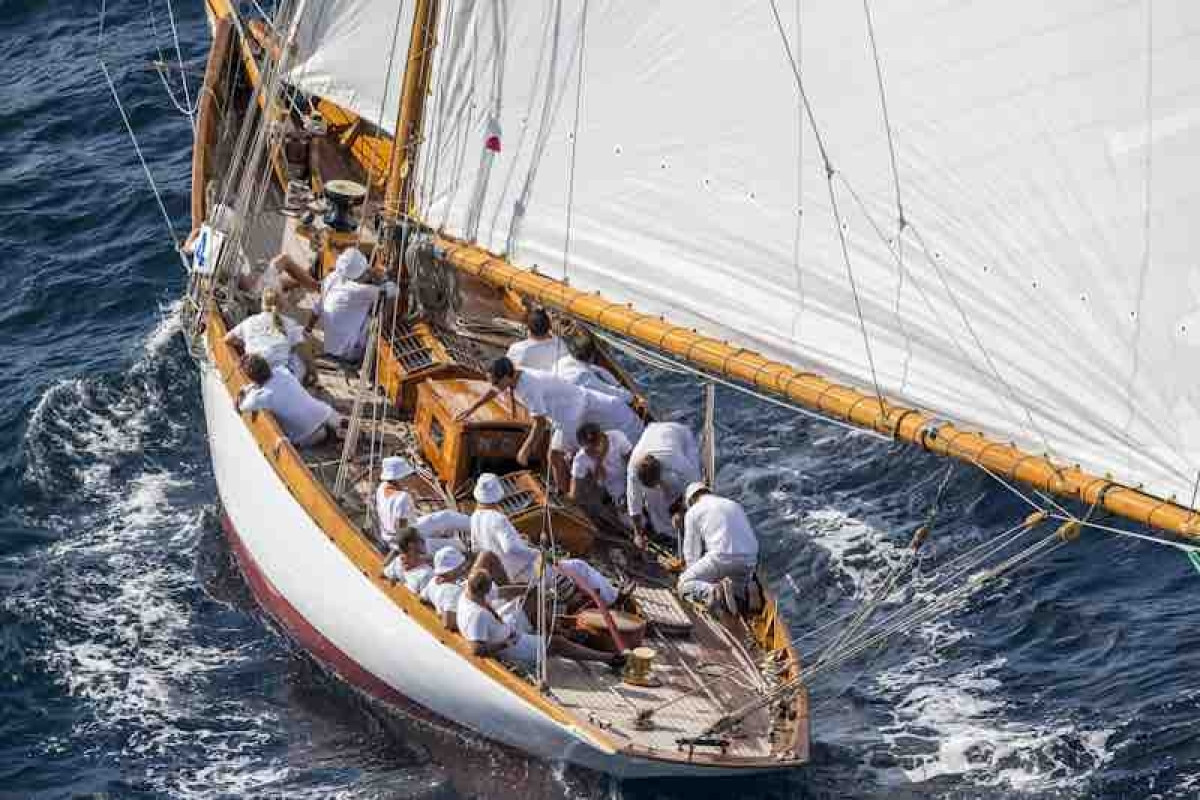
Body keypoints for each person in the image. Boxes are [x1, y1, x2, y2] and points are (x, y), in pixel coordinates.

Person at [457, 358, 644, 491]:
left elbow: (539, 424)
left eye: (497, 381)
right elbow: (494, 389)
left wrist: (525, 450)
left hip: (573, 414)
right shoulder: (516, 373)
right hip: (566, 414)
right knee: (554, 456)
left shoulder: (529, 388)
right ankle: (564, 493)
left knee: (572, 457)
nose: (495, 385)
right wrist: (473, 407)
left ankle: (589, 489)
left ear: (507, 376)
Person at [456, 570, 622, 669]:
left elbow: (501, 593)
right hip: (511, 647)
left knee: (530, 599)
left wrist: (528, 589)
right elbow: (476, 649)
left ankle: (560, 633)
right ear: (481, 591)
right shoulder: (476, 615)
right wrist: (506, 644)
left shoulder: (469, 592)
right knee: (557, 644)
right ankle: (608, 658)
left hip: (504, 628)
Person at [677, 482, 759, 614]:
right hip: (749, 559)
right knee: (736, 594)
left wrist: (692, 572)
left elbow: (691, 553)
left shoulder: (693, 511)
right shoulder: (733, 504)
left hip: (722, 557)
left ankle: (713, 591)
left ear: (691, 500)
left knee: (683, 584)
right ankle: (747, 591)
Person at [306, 246, 398, 361]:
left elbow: (316, 308)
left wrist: (307, 330)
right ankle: (382, 330)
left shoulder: (332, 277)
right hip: (348, 352)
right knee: (374, 313)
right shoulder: (359, 291)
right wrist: (383, 277)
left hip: (330, 346)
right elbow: (393, 290)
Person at [236, 354, 340, 446]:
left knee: (320, 435)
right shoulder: (282, 371)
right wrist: (252, 386)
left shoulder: (261, 397)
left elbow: (240, 407)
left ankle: (329, 437)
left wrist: (243, 391)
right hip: (326, 413)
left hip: (308, 435)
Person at [627, 422, 702, 548]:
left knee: (691, 481)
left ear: (661, 469)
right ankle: (669, 533)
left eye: (657, 482)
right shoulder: (632, 471)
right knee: (652, 497)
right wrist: (638, 534)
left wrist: (682, 511)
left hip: (680, 435)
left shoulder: (673, 458)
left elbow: (695, 483)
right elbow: (634, 502)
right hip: (652, 431)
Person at [224, 288, 314, 383]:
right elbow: (305, 351)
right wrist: (312, 372)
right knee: (298, 350)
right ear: (282, 306)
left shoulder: (249, 321)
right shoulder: (290, 323)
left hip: (254, 372)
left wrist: (245, 342)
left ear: (262, 304)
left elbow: (227, 339)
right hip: (282, 376)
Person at [469, 473, 540, 584]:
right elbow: (510, 548)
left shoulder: (474, 517)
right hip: (519, 573)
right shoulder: (498, 519)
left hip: (498, 574)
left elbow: (476, 548)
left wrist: (517, 539)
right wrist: (536, 553)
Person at [569, 423, 633, 527]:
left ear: (602, 435)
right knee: (629, 520)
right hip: (614, 487)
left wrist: (629, 491)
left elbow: (632, 463)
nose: (596, 449)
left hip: (629, 476)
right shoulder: (580, 460)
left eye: (597, 443)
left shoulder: (617, 437)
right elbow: (574, 493)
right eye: (591, 448)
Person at [554, 337, 633, 403]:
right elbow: (607, 390)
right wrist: (631, 397)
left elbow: (597, 370)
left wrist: (617, 384)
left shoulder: (562, 361)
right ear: (591, 356)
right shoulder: (583, 377)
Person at [376, 456, 417, 548]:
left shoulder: (381, 487)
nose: (409, 478)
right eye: (407, 476)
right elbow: (403, 531)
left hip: (387, 536)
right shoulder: (403, 498)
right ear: (398, 478)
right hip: (404, 541)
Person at [382, 527, 436, 594]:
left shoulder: (397, 561)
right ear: (411, 545)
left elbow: (383, 575)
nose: (423, 541)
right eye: (420, 539)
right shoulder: (426, 574)